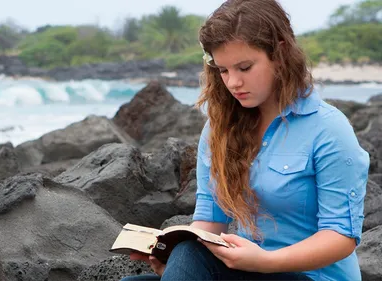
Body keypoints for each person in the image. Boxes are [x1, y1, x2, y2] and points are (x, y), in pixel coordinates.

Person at [120, 0, 370, 280]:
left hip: (312, 275)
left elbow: (341, 236)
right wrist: (171, 257)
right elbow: (210, 222)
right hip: (248, 270)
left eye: (244, 67)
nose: (233, 82)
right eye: (223, 70)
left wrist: (264, 261)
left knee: (190, 256)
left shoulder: (328, 129)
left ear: (280, 53)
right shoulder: (219, 129)